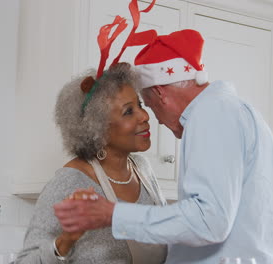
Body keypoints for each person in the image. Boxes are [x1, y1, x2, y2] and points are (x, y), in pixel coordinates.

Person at [63, 29, 273, 263]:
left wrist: (113, 215)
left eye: (151, 106)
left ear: (160, 93)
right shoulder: (231, 111)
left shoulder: (212, 113)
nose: (155, 119)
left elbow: (208, 221)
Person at [14, 62, 168, 264]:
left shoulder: (143, 170)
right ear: (98, 128)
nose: (145, 116)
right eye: (128, 111)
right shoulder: (69, 181)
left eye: (139, 105)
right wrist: (65, 241)